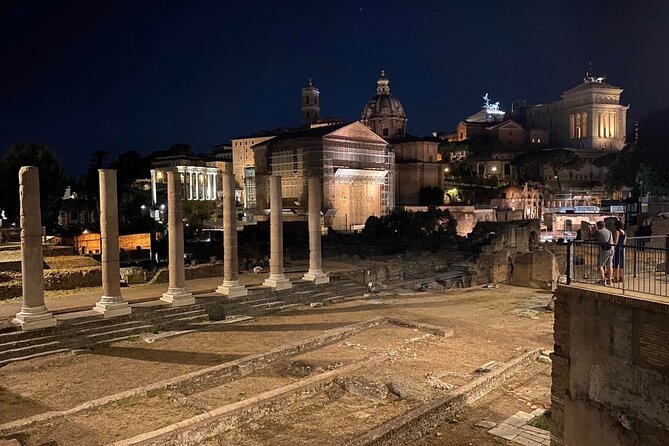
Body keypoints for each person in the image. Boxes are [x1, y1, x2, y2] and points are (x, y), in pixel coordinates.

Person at [593, 221, 614, 285]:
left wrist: (594, 230)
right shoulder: (609, 231)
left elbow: (592, 236)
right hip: (612, 248)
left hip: (604, 250)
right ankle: (609, 280)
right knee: (609, 265)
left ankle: (602, 280)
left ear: (599, 226)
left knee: (600, 265)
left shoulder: (599, 232)